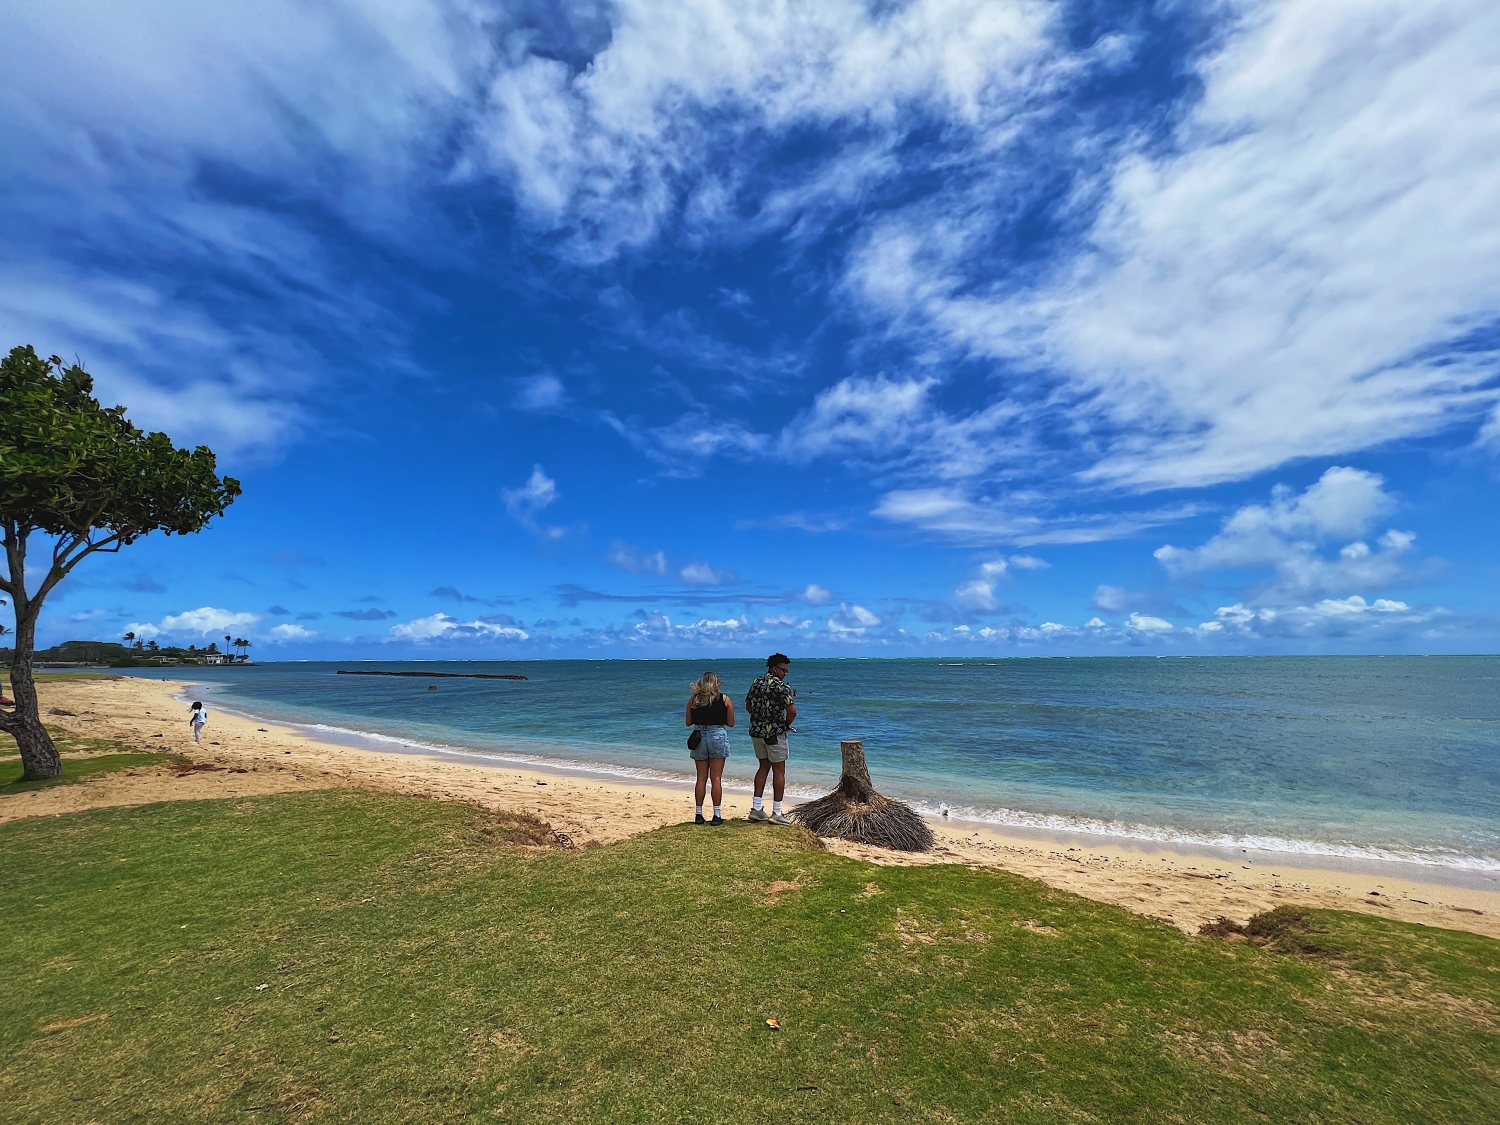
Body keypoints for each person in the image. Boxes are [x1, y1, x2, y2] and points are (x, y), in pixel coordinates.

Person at [745, 653, 795, 825]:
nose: (785, 673)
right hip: (774, 733)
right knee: (779, 771)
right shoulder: (781, 687)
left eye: (787, 671)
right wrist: (785, 724)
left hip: (756, 732)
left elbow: (748, 706)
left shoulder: (756, 682)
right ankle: (777, 812)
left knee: (763, 767)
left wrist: (760, 718)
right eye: (783, 670)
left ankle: (756, 808)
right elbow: (792, 711)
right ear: (774, 668)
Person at [685, 671, 734, 826]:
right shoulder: (724, 699)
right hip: (717, 735)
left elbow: (688, 722)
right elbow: (731, 723)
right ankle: (716, 814)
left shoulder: (694, 700)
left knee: (701, 778)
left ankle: (699, 814)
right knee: (716, 778)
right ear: (716, 683)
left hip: (699, 736)